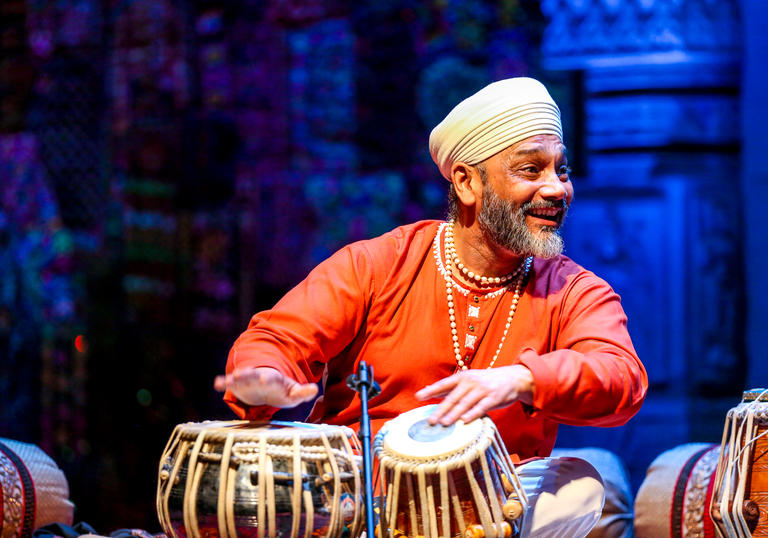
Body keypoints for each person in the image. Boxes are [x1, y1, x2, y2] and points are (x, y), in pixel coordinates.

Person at [214, 77, 648, 536]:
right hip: (364, 504)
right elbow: (277, 338)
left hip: (494, 511)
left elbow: (620, 376)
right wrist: (265, 376)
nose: (557, 189)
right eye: (531, 170)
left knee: (576, 487)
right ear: (466, 182)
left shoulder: (571, 289)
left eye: (561, 170)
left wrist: (524, 379)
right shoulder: (378, 265)